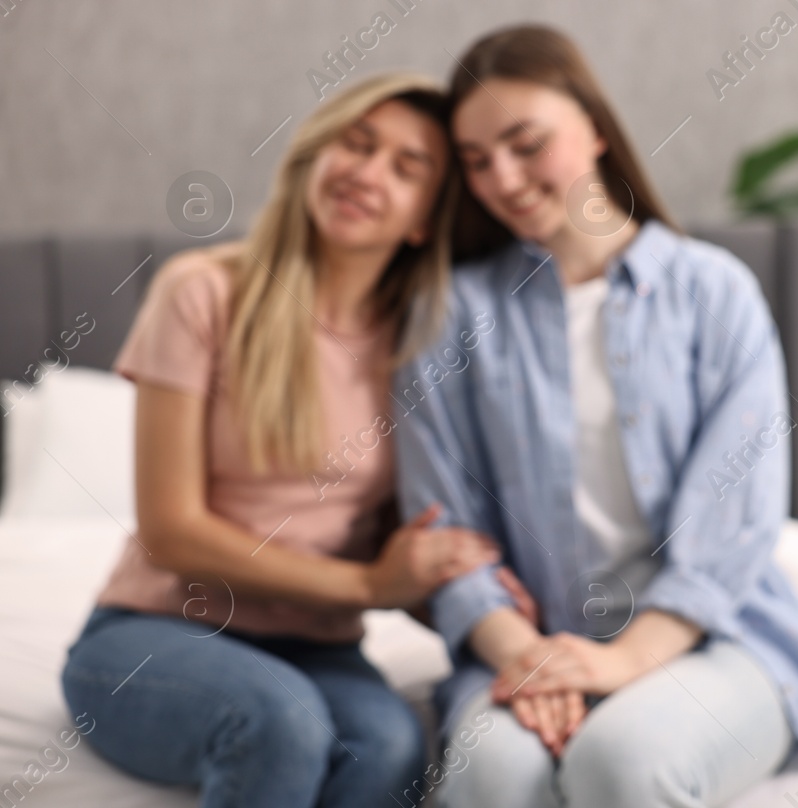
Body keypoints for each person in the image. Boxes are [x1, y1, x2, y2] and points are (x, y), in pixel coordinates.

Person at [392, 24, 798, 808]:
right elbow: (446, 536)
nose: (503, 179)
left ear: (597, 129)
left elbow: (732, 524)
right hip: (523, 646)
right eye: (476, 162)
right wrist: (533, 659)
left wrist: (622, 661)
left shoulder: (715, 293)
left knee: (621, 763)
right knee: (491, 773)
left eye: (525, 143)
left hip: (713, 640)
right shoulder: (448, 316)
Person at [59, 73, 499, 808]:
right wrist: (364, 588)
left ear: (425, 220)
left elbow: (407, 528)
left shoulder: (417, 345)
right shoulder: (201, 291)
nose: (366, 171)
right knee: (279, 722)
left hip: (316, 648)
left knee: (391, 744)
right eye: (356, 144)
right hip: (154, 631)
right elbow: (171, 532)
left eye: (405, 167)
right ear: (317, 156)